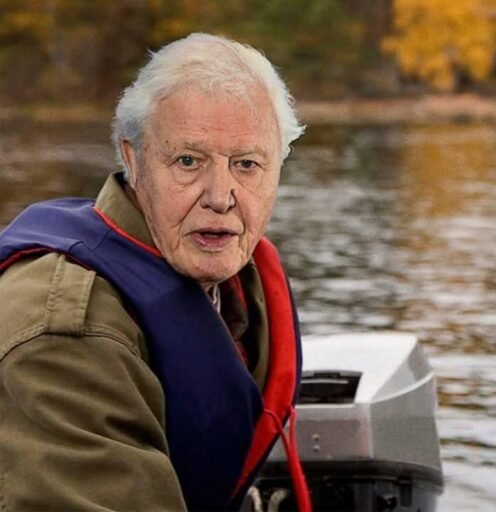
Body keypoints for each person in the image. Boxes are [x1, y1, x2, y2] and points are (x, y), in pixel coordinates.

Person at [0, 33, 312, 511]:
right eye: (189, 161)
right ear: (133, 159)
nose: (220, 195)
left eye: (247, 165)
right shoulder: (69, 332)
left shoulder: (230, 288)